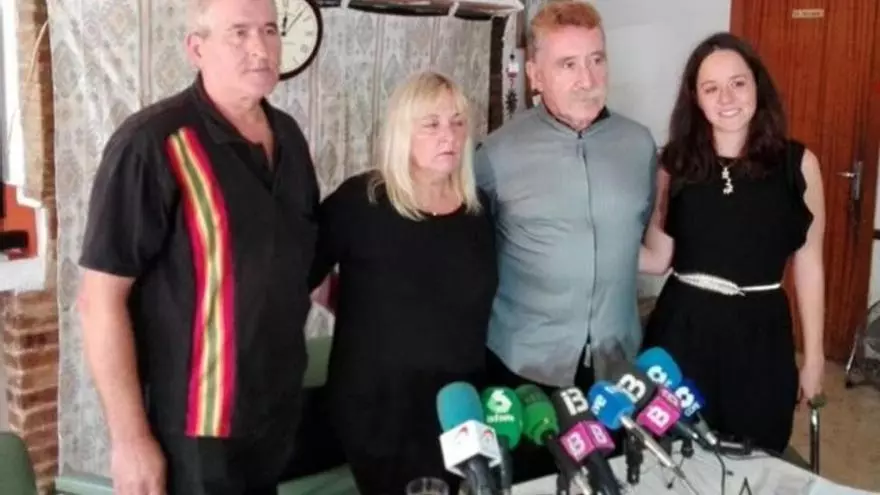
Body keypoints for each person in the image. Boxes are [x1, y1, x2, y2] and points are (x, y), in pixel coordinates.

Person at [76, 0, 319, 493]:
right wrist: (129, 440)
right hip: (194, 431)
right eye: (239, 33)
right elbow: (98, 302)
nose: (261, 48)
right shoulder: (152, 143)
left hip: (276, 416)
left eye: (270, 30)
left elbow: (303, 266)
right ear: (196, 48)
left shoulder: (289, 137)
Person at [474, 0, 658, 481]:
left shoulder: (639, 145)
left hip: (615, 368)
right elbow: (470, 257)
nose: (587, 78)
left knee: (612, 481)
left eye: (597, 59)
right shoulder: (495, 155)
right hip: (526, 370)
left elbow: (637, 235)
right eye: (568, 64)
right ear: (535, 75)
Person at [308, 71, 498, 495]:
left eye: (457, 122)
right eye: (431, 124)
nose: (449, 135)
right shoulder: (362, 201)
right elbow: (301, 274)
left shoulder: (478, 209)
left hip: (458, 402)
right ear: (402, 131)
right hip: (380, 407)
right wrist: (360, 310)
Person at [639, 32, 826, 454]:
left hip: (761, 335)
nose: (726, 98)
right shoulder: (674, 163)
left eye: (737, 83)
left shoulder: (798, 165)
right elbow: (658, 257)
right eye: (711, 88)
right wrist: (586, 242)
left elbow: (810, 264)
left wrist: (814, 358)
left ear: (757, 84)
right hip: (681, 332)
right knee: (671, 454)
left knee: (755, 452)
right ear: (696, 99)